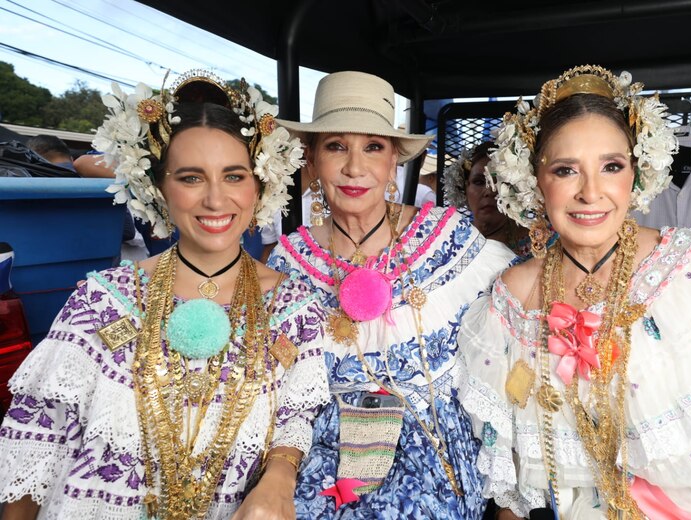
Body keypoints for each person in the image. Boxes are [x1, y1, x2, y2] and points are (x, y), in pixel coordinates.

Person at [0, 72, 330, 519]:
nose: (216, 199)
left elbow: (296, 417)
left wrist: (279, 477)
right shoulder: (103, 301)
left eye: (234, 176)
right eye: (192, 177)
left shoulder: (293, 309)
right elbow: (39, 440)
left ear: (259, 186)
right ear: (160, 187)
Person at [457, 65, 691, 519]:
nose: (592, 193)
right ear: (535, 179)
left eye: (611, 166)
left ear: (636, 172)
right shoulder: (512, 300)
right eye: (566, 170)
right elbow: (511, 489)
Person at [267, 70, 515, 519]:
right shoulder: (288, 262)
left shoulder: (449, 239)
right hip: (325, 468)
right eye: (336, 146)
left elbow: (510, 348)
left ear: (394, 160)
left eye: (373, 147)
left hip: (436, 464)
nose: (354, 168)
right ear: (311, 157)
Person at [443, 141, 548, 261]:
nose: (489, 191)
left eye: (499, 182)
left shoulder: (538, 244)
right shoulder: (450, 241)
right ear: (464, 188)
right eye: (479, 182)